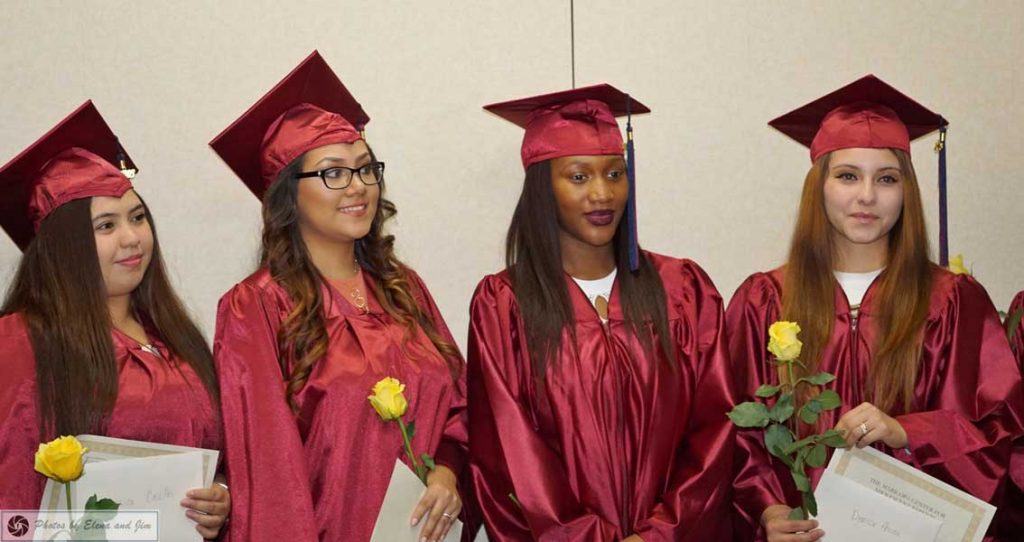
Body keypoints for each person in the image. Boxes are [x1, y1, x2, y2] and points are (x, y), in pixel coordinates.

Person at [727, 75, 1024, 541]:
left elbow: (1001, 430)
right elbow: (732, 432)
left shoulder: (953, 301)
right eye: (847, 176)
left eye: (886, 179)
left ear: (906, 192)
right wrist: (769, 511)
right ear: (819, 187)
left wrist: (908, 432)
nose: (867, 196)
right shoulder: (764, 301)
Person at [209, 51, 468, 542]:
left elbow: (459, 406)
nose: (358, 187)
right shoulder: (257, 307)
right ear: (288, 194)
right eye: (333, 172)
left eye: (366, 169)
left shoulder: (402, 289)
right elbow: (268, 473)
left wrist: (448, 473)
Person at [468, 84, 736, 541]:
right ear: (542, 189)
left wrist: (660, 534)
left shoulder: (684, 292)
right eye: (578, 177)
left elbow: (715, 428)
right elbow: (508, 455)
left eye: (615, 174)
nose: (602, 194)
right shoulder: (504, 305)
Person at [0, 101, 228, 540]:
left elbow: (220, 459)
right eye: (106, 226)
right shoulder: (24, 340)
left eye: (138, 218)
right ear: (66, 246)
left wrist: (221, 494)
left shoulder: (174, 337)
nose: (132, 238)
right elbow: (12, 491)